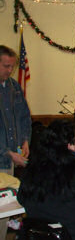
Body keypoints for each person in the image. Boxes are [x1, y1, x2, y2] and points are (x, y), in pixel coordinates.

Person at [0, 45, 32, 239]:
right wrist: (7, 153)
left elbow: (24, 117)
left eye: (12, 66)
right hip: (3, 157)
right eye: (5, 66)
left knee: (4, 214)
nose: (10, 70)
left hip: (9, 163)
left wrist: (25, 140)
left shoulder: (13, 87)